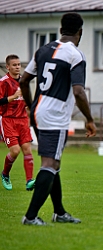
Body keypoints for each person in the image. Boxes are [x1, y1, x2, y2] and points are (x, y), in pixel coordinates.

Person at [19, 12, 96, 225]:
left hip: (38, 112)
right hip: (55, 116)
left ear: (61, 29)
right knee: (50, 163)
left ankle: (59, 212)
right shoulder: (75, 55)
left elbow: (24, 81)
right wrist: (89, 119)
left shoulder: (42, 50)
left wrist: (29, 105)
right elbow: (79, 92)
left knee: (55, 162)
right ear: (80, 32)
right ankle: (30, 216)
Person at [0, 54, 36, 191]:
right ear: (8, 67)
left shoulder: (23, 82)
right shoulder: (3, 82)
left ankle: (29, 181)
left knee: (27, 149)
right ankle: (5, 174)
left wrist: (29, 106)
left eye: (19, 65)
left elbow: (27, 101)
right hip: (8, 120)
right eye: (14, 65)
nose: (17, 67)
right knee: (15, 151)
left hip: (22, 120)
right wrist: (13, 96)